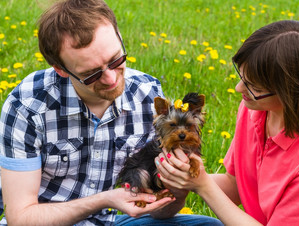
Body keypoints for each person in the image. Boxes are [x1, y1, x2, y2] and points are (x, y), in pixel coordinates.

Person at [0, 0, 223, 225]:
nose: (111, 79)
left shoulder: (146, 93)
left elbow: (159, 213)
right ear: (61, 69)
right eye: (91, 73)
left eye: (116, 60)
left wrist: (177, 191)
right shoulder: (28, 105)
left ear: (120, 36)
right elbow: (21, 218)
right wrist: (104, 200)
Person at [156, 20, 299, 225]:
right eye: (241, 76)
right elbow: (236, 185)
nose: (238, 88)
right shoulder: (255, 109)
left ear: (290, 93)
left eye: (253, 86)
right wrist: (180, 181)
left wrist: (203, 186)